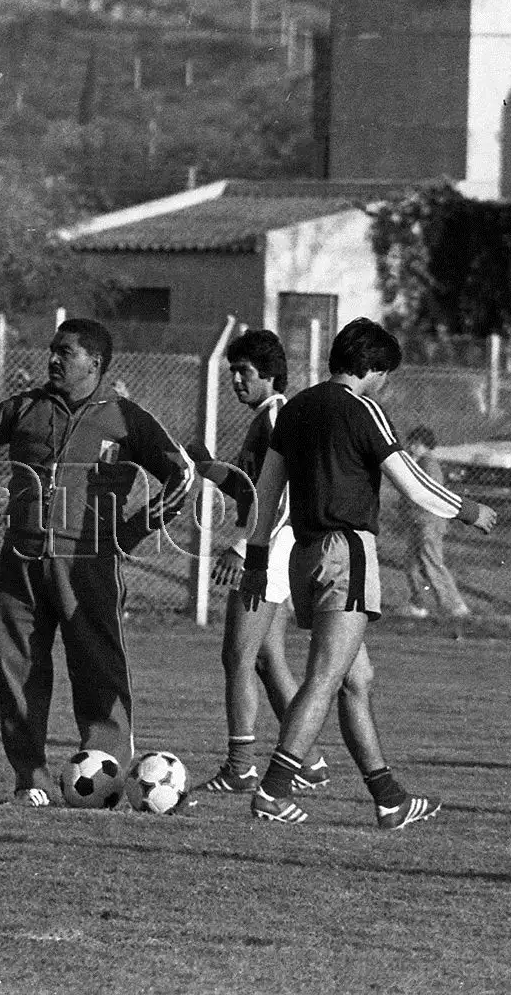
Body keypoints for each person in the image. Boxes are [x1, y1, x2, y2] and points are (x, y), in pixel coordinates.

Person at [238, 317, 496, 830]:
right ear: (372, 368)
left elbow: (265, 493)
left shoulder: (296, 409)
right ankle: (272, 791)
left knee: (358, 679)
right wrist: (468, 510)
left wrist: (258, 558)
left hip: (302, 557)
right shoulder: (363, 409)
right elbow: (413, 483)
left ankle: (389, 798)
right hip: (346, 553)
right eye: (385, 374)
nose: (385, 384)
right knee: (326, 678)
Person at [0, 318, 192, 807]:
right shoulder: (24, 407)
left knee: (96, 668)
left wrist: (129, 531)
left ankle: (105, 766)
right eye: (52, 350)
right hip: (20, 561)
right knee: (19, 672)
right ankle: (30, 778)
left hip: (88, 564)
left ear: (96, 363)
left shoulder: (125, 417)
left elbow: (183, 476)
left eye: (65, 353)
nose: (53, 360)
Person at [183, 329, 332, 795]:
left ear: (269, 374)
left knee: (237, 656)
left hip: (270, 550)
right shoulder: (265, 418)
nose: (235, 380)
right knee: (267, 659)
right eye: (231, 372)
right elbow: (252, 488)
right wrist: (209, 468)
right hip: (275, 548)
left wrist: (247, 549)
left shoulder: (278, 418)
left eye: (243, 372)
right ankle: (307, 762)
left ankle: (241, 766)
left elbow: (286, 496)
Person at [389, 426, 472, 619]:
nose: (411, 446)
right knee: (412, 565)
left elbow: (426, 493)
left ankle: (455, 606)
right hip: (418, 522)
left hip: (428, 522)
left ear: (424, 444)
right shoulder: (418, 462)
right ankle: (419, 604)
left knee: (431, 563)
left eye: (415, 443)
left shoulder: (429, 465)